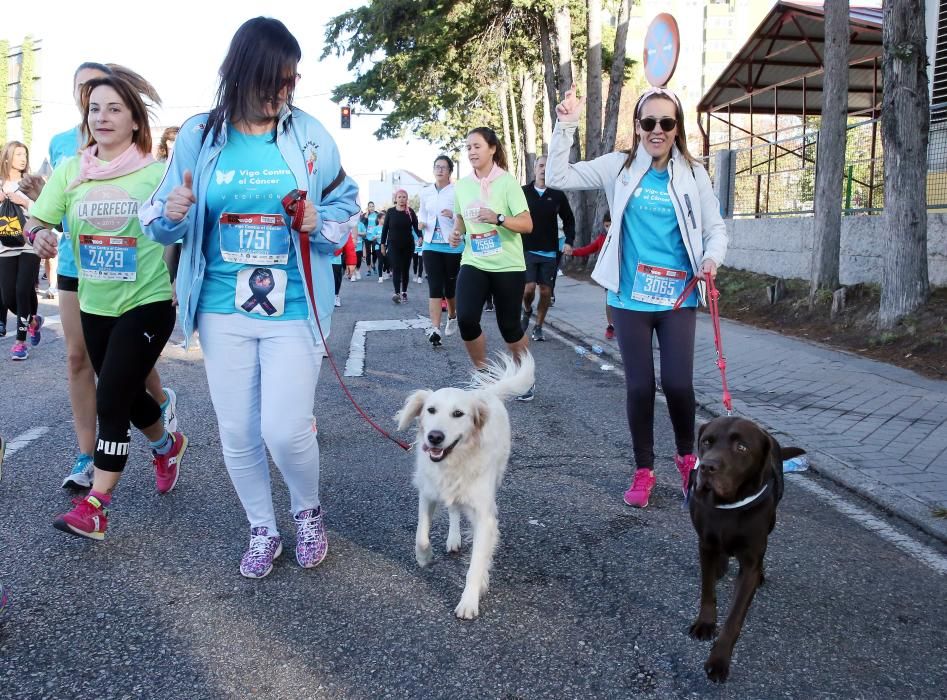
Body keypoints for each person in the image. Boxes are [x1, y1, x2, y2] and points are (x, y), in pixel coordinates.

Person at [140, 17, 360, 578]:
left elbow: (345, 205)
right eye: (272, 82)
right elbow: (160, 221)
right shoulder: (198, 136)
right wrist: (171, 214)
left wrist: (318, 221)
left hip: (294, 308)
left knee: (283, 429)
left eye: (290, 81)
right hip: (221, 307)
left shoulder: (309, 135)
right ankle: (263, 527)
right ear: (240, 75)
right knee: (238, 431)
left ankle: (307, 512)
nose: (282, 94)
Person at [547, 84, 728, 508]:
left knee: (680, 385)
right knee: (641, 386)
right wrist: (566, 125)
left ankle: (687, 459)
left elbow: (715, 228)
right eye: (649, 122)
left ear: (677, 127)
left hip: (677, 296)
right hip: (630, 299)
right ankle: (644, 470)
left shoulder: (693, 173)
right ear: (638, 127)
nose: (657, 130)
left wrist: (710, 259)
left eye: (666, 122)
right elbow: (558, 177)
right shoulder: (620, 167)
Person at [28, 70, 187, 540]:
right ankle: (166, 444)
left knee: (111, 394)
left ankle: (97, 503)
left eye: (114, 108)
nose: (102, 117)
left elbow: (179, 230)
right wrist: (38, 236)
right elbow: (38, 220)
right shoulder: (72, 171)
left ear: (136, 121)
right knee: (129, 392)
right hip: (96, 304)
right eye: (95, 108)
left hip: (148, 301)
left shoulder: (157, 174)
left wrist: (179, 211)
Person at [449, 127, 534, 397]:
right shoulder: (462, 186)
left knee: (510, 327)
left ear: (492, 149)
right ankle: (483, 373)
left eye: (477, 146)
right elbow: (461, 220)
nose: (472, 152)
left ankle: (525, 377)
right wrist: (456, 233)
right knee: (466, 319)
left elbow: (527, 224)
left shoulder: (508, 183)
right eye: (469, 147)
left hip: (508, 265)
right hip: (474, 261)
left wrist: (498, 218)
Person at [520, 155, 575, 342]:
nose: (544, 169)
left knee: (545, 291)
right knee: (528, 289)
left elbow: (569, 219)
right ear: (534, 169)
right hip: (527, 248)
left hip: (550, 251)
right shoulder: (523, 192)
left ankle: (538, 326)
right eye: (541, 166)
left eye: (547, 166)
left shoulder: (557, 194)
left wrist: (569, 241)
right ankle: (527, 310)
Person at [0, 141, 43, 361]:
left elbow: (46, 209)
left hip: (29, 242)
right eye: (18, 154)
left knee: (21, 289)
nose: (22, 158)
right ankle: (33, 321)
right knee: (8, 295)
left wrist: (25, 203)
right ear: (7, 157)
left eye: (25, 154)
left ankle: (20, 342)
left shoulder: (32, 182)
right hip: (5, 245)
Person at [418, 155, 462, 347]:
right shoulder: (426, 191)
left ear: (450, 171)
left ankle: (452, 316)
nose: (440, 170)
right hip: (430, 244)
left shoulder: (457, 191)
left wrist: (453, 215)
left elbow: (463, 215)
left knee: (449, 288)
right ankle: (435, 328)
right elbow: (422, 211)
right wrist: (421, 222)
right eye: (437, 167)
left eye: (444, 168)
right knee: (435, 286)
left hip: (452, 245)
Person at [569, 212, 615, 339]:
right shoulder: (602, 238)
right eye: (606, 225)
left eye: (611, 225)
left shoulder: (622, 236)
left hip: (624, 273)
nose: (608, 228)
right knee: (609, 300)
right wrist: (573, 252)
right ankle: (611, 325)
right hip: (609, 274)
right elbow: (589, 248)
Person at [381, 189, 420, 304]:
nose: (402, 199)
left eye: (404, 197)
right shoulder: (390, 212)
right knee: (396, 267)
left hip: (408, 245)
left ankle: (404, 292)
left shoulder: (410, 212)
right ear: (395, 199)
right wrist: (382, 244)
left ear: (407, 199)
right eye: (399, 197)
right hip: (393, 245)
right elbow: (385, 229)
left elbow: (416, 227)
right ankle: (397, 293)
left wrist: (420, 236)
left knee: (405, 269)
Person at [332, 230, 357, 306]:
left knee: (336, 277)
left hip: (335, 256)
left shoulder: (342, 223)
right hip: (318, 256)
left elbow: (348, 242)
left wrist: (351, 262)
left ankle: (335, 295)